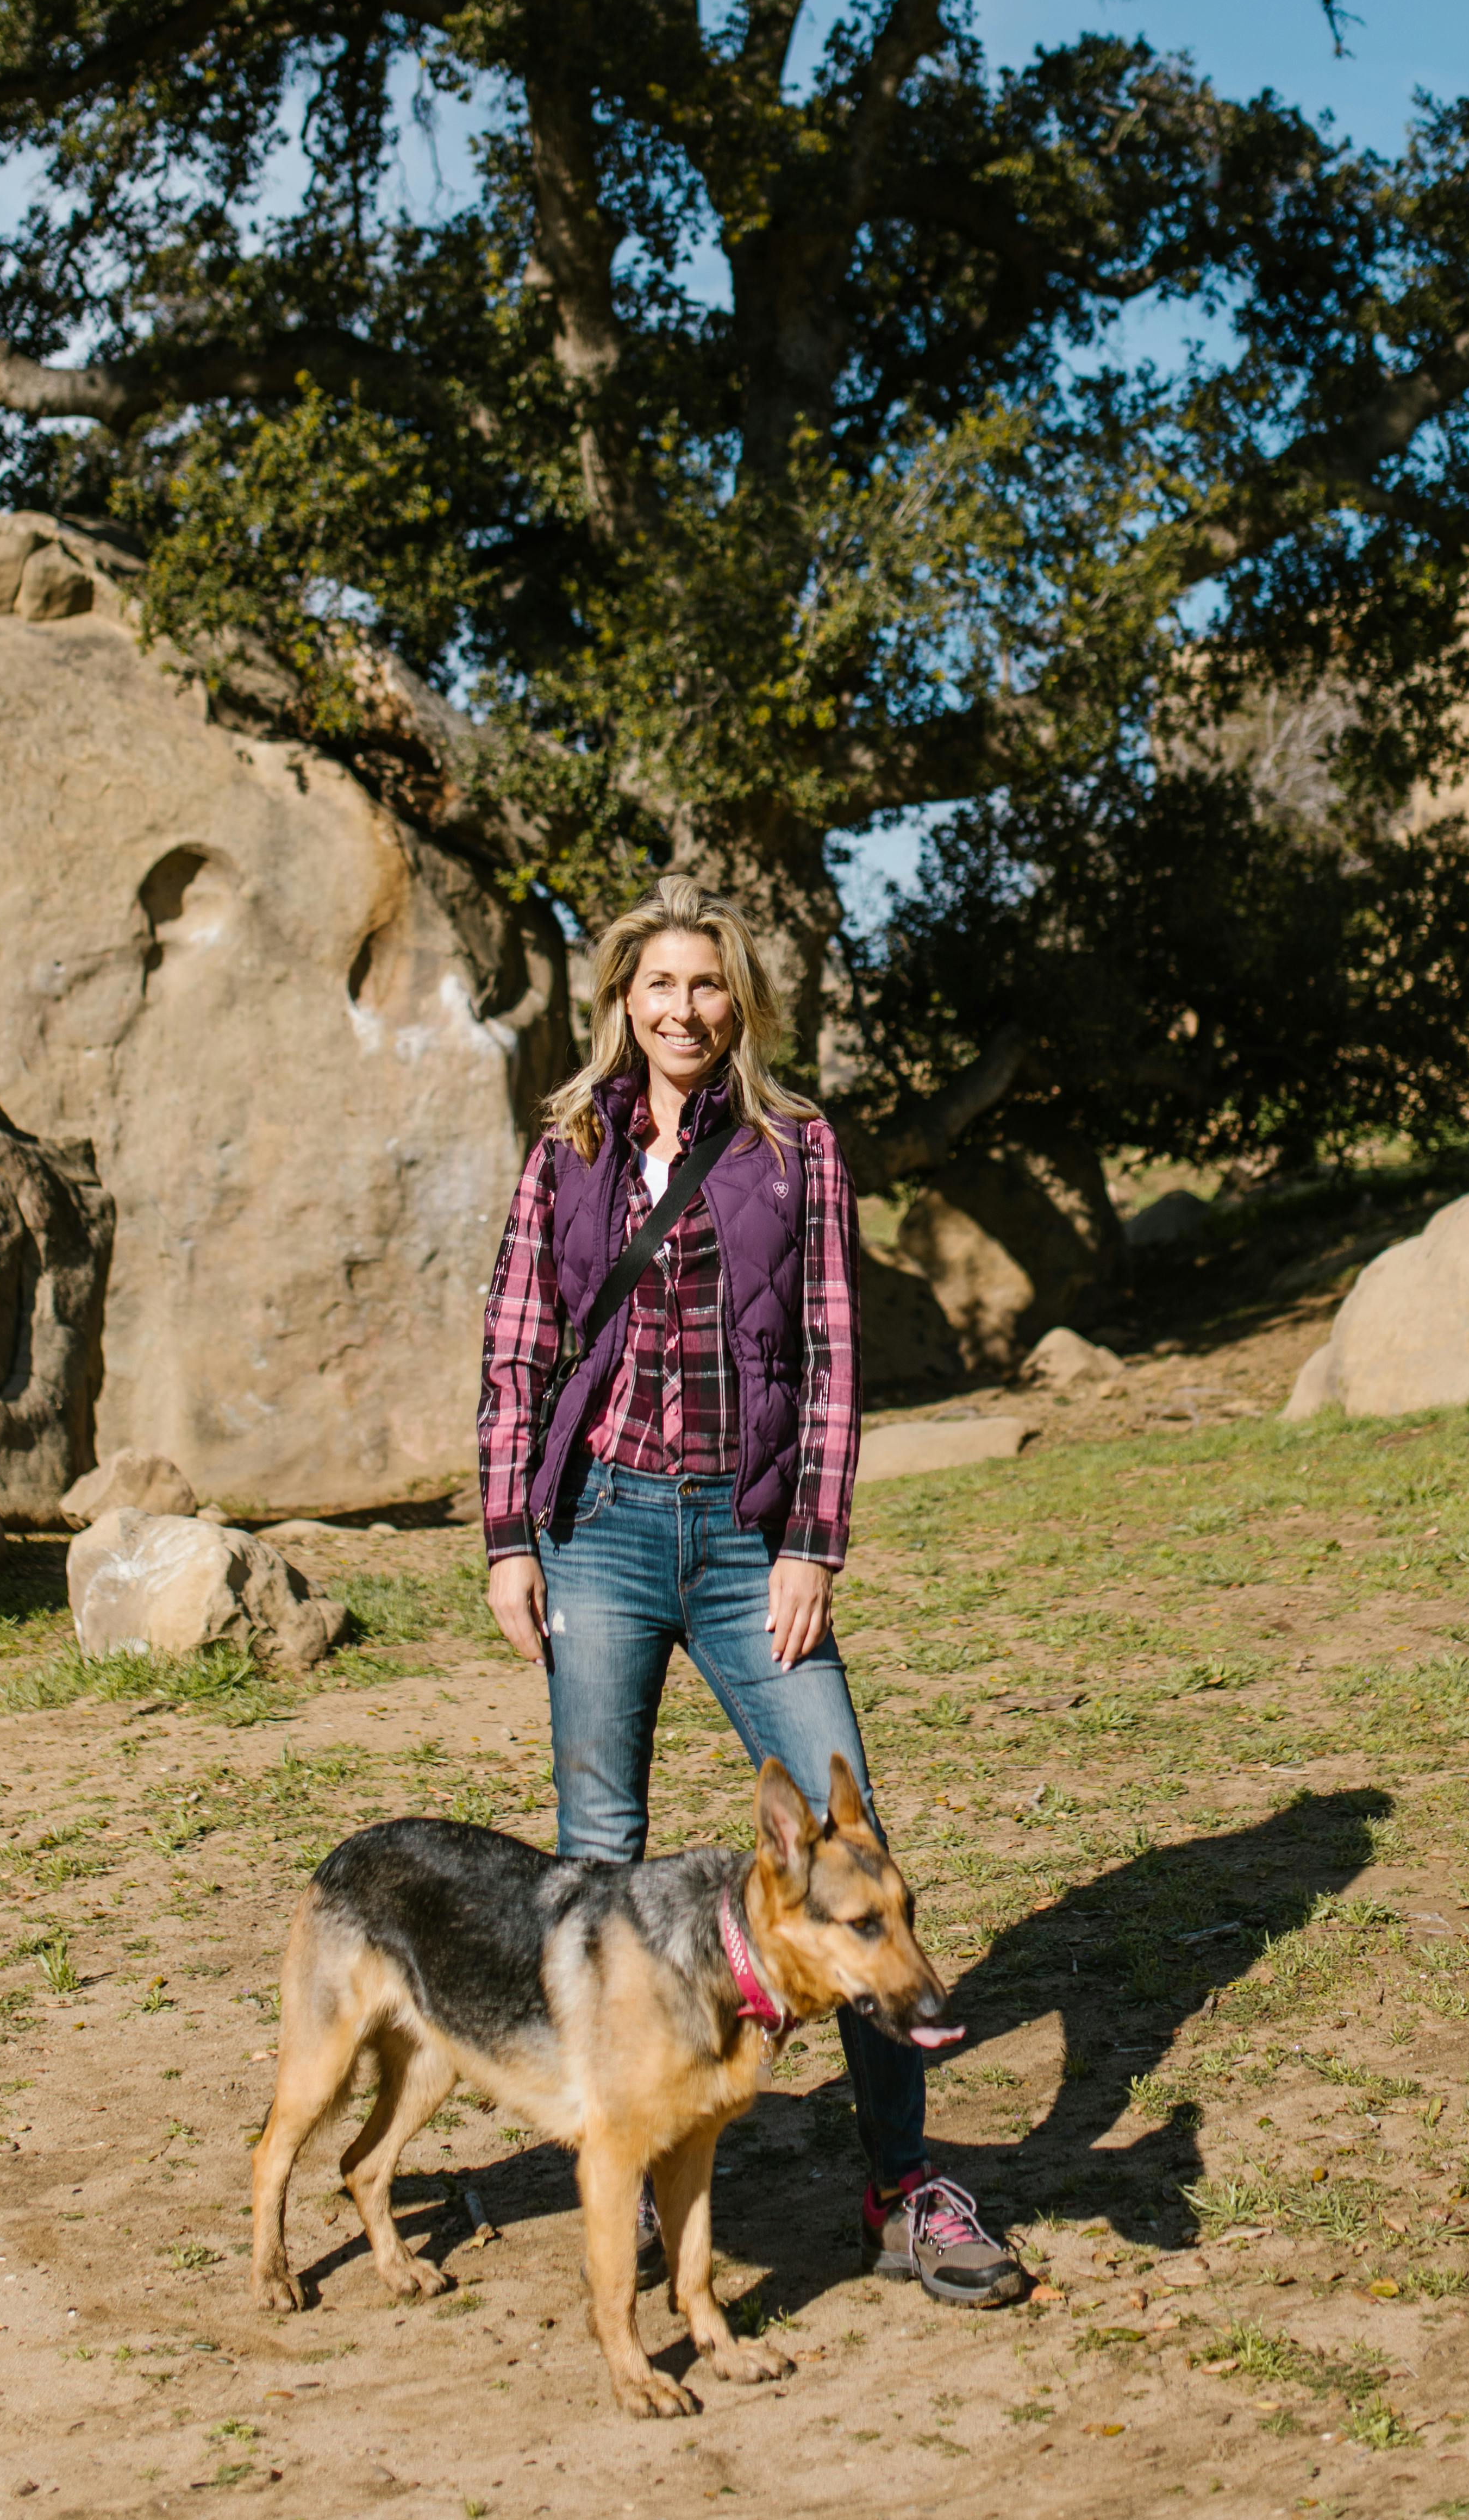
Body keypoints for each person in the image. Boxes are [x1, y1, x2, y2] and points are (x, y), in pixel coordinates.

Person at [476, 872, 1028, 2307]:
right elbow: (517, 1347)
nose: (683, 1009)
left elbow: (835, 1356)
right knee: (598, 1849)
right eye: (657, 985)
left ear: (743, 1006)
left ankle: (906, 2188)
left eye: (707, 985)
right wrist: (507, 1537)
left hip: (746, 1542)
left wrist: (812, 1543)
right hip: (595, 1528)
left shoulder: (798, 1148)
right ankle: (635, 2160)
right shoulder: (565, 1151)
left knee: (850, 1852)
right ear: (620, 1001)